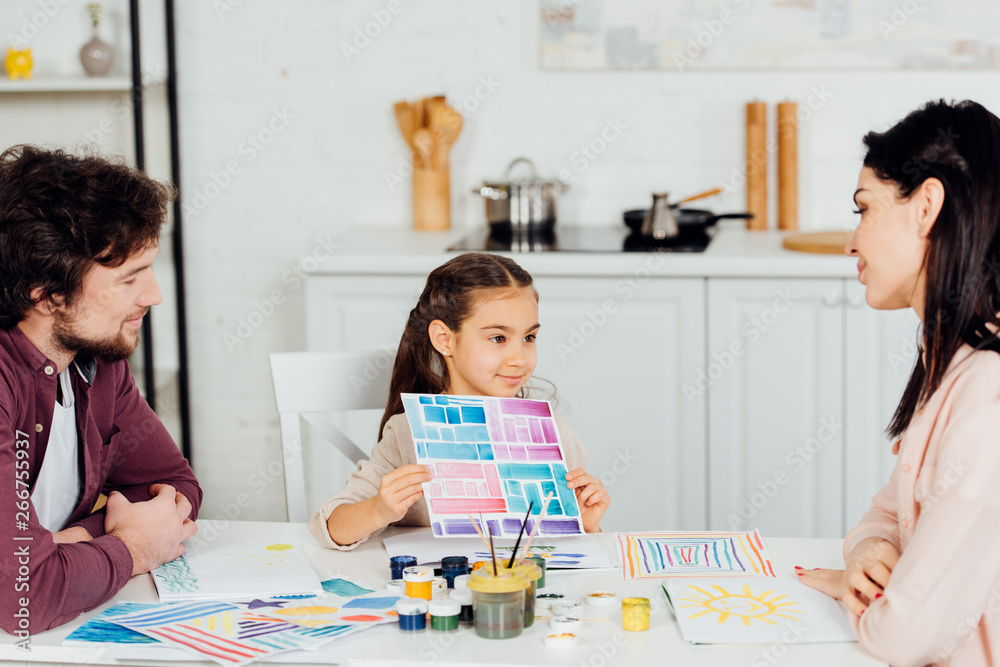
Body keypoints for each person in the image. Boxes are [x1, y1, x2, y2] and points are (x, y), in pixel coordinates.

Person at [799, 100, 1000, 666]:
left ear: (926, 206)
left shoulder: (988, 391)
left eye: (865, 209)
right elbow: (887, 512)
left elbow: (901, 638)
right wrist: (871, 550)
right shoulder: (954, 364)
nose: (850, 243)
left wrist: (853, 591)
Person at [0, 145, 201, 636]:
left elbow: (173, 487)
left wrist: (68, 544)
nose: (152, 295)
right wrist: (133, 548)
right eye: (129, 277)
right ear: (48, 295)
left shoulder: (97, 357)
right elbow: (26, 599)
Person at [309, 252, 610, 549]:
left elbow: (573, 555)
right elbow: (328, 528)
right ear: (444, 339)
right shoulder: (407, 434)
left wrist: (587, 525)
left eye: (529, 338)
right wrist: (378, 509)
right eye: (498, 338)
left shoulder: (556, 434)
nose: (519, 358)